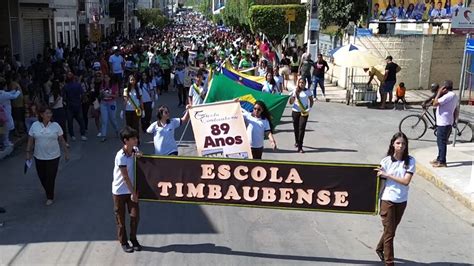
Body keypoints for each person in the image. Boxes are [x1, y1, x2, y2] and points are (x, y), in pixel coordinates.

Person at [375, 132, 416, 266]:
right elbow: (380, 183)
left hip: (402, 200)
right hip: (387, 199)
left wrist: (388, 175)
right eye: (398, 143)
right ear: (393, 144)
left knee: (391, 230)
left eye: (403, 144)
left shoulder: (410, 161)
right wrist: (376, 201)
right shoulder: (385, 161)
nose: (401, 146)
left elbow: (406, 181)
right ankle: (389, 262)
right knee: (390, 233)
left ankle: (380, 248)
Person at [26, 105, 69, 205]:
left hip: (53, 156)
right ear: (41, 115)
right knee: (42, 176)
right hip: (39, 156)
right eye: (47, 113)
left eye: (50, 113)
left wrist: (66, 152)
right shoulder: (35, 125)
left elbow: (62, 140)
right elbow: (30, 140)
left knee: (51, 176)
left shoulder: (55, 125)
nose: (49, 115)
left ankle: (50, 196)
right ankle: (48, 190)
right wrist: (28, 153)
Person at [112, 126, 142, 253]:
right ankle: (123, 242)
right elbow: (125, 177)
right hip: (120, 191)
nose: (136, 140)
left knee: (135, 216)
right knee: (121, 218)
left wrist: (140, 156)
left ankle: (133, 238)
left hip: (132, 189)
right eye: (133, 138)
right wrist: (133, 193)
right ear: (126, 140)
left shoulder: (135, 150)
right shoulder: (121, 156)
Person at [431, 80, 458, 168]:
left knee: (442, 142)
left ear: (445, 88)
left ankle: (442, 161)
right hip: (447, 121)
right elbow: (456, 109)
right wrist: (454, 120)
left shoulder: (448, 96)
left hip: (444, 122)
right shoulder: (453, 96)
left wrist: (438, 93)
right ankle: (439, 158)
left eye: (442, 87)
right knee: (440, 142)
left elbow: (435, 103)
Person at [289, 78, 314, 153]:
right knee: (296, 128)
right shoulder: (295, 90)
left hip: (304, 112)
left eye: (303, 82)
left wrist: (310, 108)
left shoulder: (308, 91)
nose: (301, 84)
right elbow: (291, 102)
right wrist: (293, 97)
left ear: (305, 83)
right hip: (295, 111)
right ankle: (297, 141)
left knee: (301, 128)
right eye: (300, 82)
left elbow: (311, 100)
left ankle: (300, 146)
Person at [64, 72, 87, 141]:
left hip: (69, 105)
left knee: (70, 122)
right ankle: (82, 134)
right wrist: (82, 101)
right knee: (81, 120)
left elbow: (64, 97)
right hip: (77, 104)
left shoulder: (66, 87)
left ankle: (72, 135)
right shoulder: (78, 85)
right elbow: (83, 94)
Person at [0, 77, 20, 147]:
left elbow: (9, 93)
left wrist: (14, 90)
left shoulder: (3, 93)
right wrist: (18, 91)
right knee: (6, 128)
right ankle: (6, 141)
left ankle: (3, 141)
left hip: (2, 113)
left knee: (2, 128)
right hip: (5, 113)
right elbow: (14, 96)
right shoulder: (4, 94)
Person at [99, 74, 119, 142]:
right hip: (103, 103)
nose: (105, 78)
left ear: (110, 78)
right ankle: (103, 135)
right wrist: (101, 93)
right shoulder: (102, 84)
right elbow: (100, 94)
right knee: (104, 120)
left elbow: (116, 95)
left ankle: (117, 130)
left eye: (107, 77)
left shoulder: (114, 85)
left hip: (111, 103)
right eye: (104, 77)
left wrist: (110, 95)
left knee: (112, 119)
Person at [123, 74, 143, 138]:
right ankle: (130, 140)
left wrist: (143, 110)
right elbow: (125, 101)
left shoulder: (138, 90)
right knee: (129, 127)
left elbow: (141, 100)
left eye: (134, 80)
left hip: (136, 110)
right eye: (131, 80)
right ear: (129, 81)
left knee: (136, 126)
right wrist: (122, 110)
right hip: (128, 110)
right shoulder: (126, 90)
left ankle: (136, 140)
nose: (132, 81)